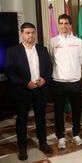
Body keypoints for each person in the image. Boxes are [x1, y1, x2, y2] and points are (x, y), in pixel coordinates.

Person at [4, 22, 53, 160]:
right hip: (22, 91)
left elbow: (49, 68)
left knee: (41, 118)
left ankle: (43, 143)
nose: (30, 35)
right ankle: (22, 148)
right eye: (27, 33)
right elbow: (10, 72)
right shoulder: (12, 51)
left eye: (32, 32)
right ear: (21, 34)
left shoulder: (42, 49)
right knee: (22, 120)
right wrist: (26, 83)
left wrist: (44, 79)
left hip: (40, 89)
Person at [49, 14, 82, 149]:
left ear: (70, 25)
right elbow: (52, 59)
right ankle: (61, 137)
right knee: (58, 111)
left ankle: (76, 134)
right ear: (59, 25)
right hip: (58, 81)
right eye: (61, 23)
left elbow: (80, 60)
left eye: (66, 23)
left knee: (76, 110)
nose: (64, 26)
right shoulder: (53, 41)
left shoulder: (78, 41)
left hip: (75, 81)